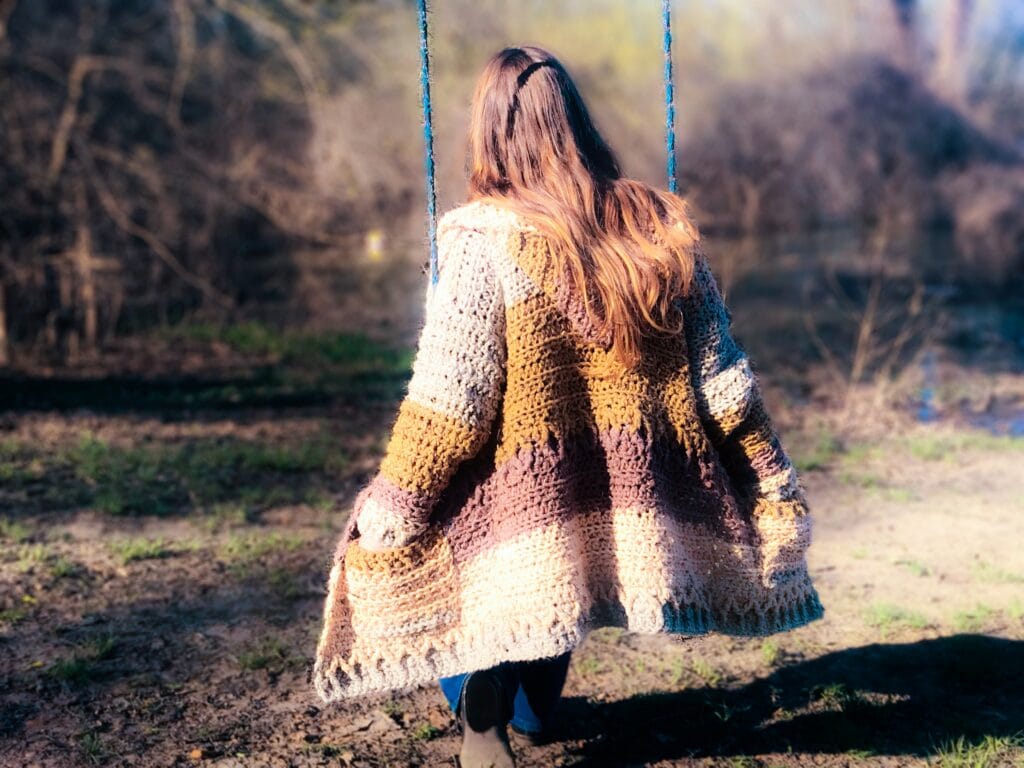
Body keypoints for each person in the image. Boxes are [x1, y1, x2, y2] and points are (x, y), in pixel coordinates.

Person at [313, 46, 825, 768]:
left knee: (464, 527)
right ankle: (529, 707)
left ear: (490, 130)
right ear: (577, 121)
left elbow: (451, 402)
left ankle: (483, 717)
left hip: (526, 500)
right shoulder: (657, 226)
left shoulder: (482, 238)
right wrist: (770, 476)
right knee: (558, 568)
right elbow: (724, 382)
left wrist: (394, 502)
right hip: (616, 491)